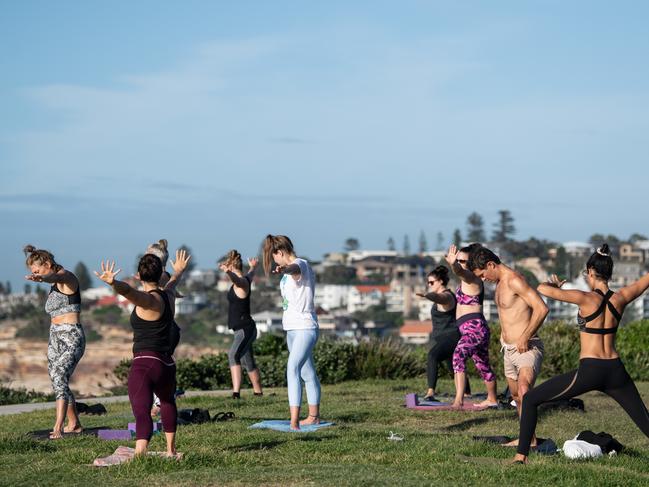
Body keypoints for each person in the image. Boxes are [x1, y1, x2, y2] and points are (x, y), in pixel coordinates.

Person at [512, 244, 649, 464]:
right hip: (615, 371)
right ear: (610, 274)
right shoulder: (621, 297)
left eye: (587, 274)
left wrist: (552, 284)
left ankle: (520, 457)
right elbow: (645, 281)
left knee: (529, 399)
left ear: (592, 273)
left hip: (591, 370)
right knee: (645, 422)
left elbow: (542, 289)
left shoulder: (585, 298)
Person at [95, 249, 190, 457]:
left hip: (146, 363)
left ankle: (140, 455)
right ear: (159, 274)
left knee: (141, 410)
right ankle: (170, 450)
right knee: (167, 402)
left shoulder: (149, 300)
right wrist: (179, 272)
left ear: (139, 275)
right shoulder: (168, 295)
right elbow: (172, 283)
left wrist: (113, 283)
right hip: (166, 364)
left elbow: (129, 291)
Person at [468, 246, 548, 447]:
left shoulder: (513, 280)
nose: (483, 278)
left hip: (526, 348)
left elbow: (541, 308)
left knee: (524, 391)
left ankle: (527, 443)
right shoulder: (499, 283)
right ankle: (528, 440)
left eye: (483, 274)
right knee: (516, 397)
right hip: (508, 350)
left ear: (491, 265)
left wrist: (525, 336)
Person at [24, 245, 86, 439]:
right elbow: (51, 279)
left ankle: (58, 426)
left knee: (59, 376)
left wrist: (45, 278)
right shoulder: (52, 285)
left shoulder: (66, 278)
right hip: (55, 337)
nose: (35, 275)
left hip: (71, 336)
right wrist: (44, 278)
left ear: (48, 264)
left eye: (37, 271)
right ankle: (74, 423)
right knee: (57, 380)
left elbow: (56, 277)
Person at [262, 234, 320, 430]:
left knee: (292, 368)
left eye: (274, 257)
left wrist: (285, 268)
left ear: (280, 252)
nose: (274, 261)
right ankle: (313, 417)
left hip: (305, 328)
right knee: (307, 372)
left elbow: (294, 269)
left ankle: (294, 421)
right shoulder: (291, 269)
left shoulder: (300, 264)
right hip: (292, 329)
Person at [445, 244, 498, 408]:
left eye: (462, 260)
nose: (459, 263)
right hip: (475, 330)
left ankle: (458, 401)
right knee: (483, 366)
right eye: (458, 260)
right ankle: (492, 399)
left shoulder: (471, 278)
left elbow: (459, 271)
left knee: (458, 356)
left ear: (471, 263)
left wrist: (453, 264)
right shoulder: (466, 281)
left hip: (474, 329)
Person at [416, 265, 470, 401]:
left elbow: (439, 298)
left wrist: (428, 296)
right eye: (428, 282)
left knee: (432, 356)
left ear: (440, 282)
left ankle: (430, 392)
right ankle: (467, 393)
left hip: (451, 336)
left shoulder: (447, 297)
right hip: (443, 338)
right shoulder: (442, 296)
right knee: (454, 366)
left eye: (431, 282)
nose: (429, 285)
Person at [143, 239, 181, 417]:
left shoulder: (162, 277)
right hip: (166, 328)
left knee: (157, 365)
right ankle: (159, 400)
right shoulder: (164, 277)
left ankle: (160, 402)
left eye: (147, 255)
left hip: (166, 329)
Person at [219, 249, 263, 399]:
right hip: (241, 329)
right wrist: (254, 267)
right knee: (247, 360)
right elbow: (250, 274)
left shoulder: (241, 283)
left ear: (231, 266)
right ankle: (258, 393)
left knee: (233, 355)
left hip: (246, 329)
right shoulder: (245, 279)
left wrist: (228, 273)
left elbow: (237, 280)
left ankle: (236, 393)